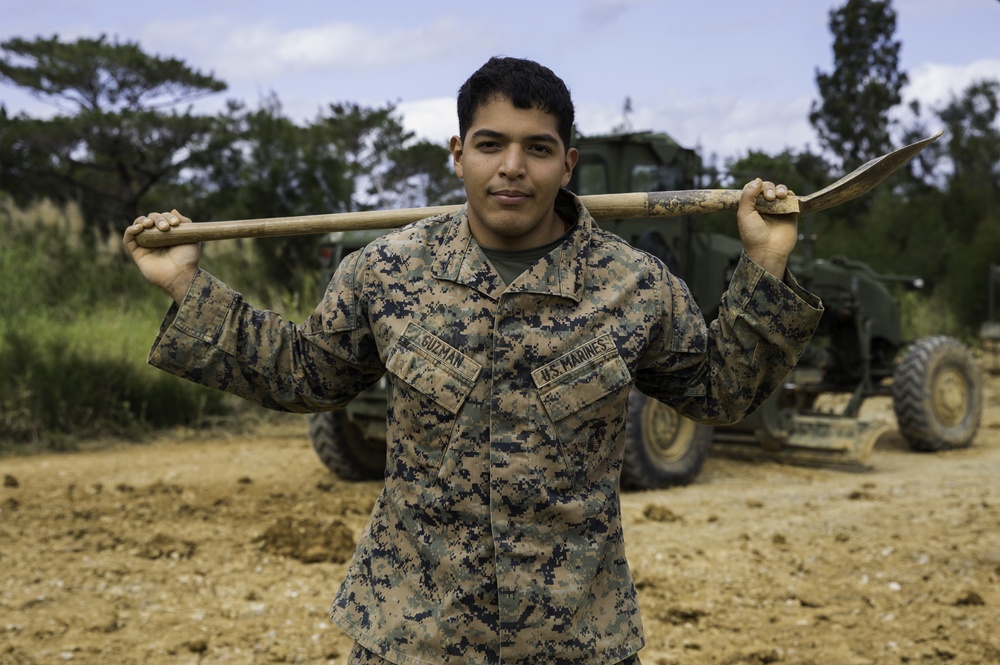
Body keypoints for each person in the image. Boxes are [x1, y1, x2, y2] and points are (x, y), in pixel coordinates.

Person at [124, 56, 823, 665]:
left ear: (567, 162)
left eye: (537, 148)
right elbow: (303, 372)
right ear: (459, 153)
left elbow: (720, 393)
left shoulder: (633, 285)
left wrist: (765, 258)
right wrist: (185, 282)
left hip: (575, 638)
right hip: (411, 635)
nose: (513, 167)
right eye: (491, 144)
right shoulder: (389, 270)